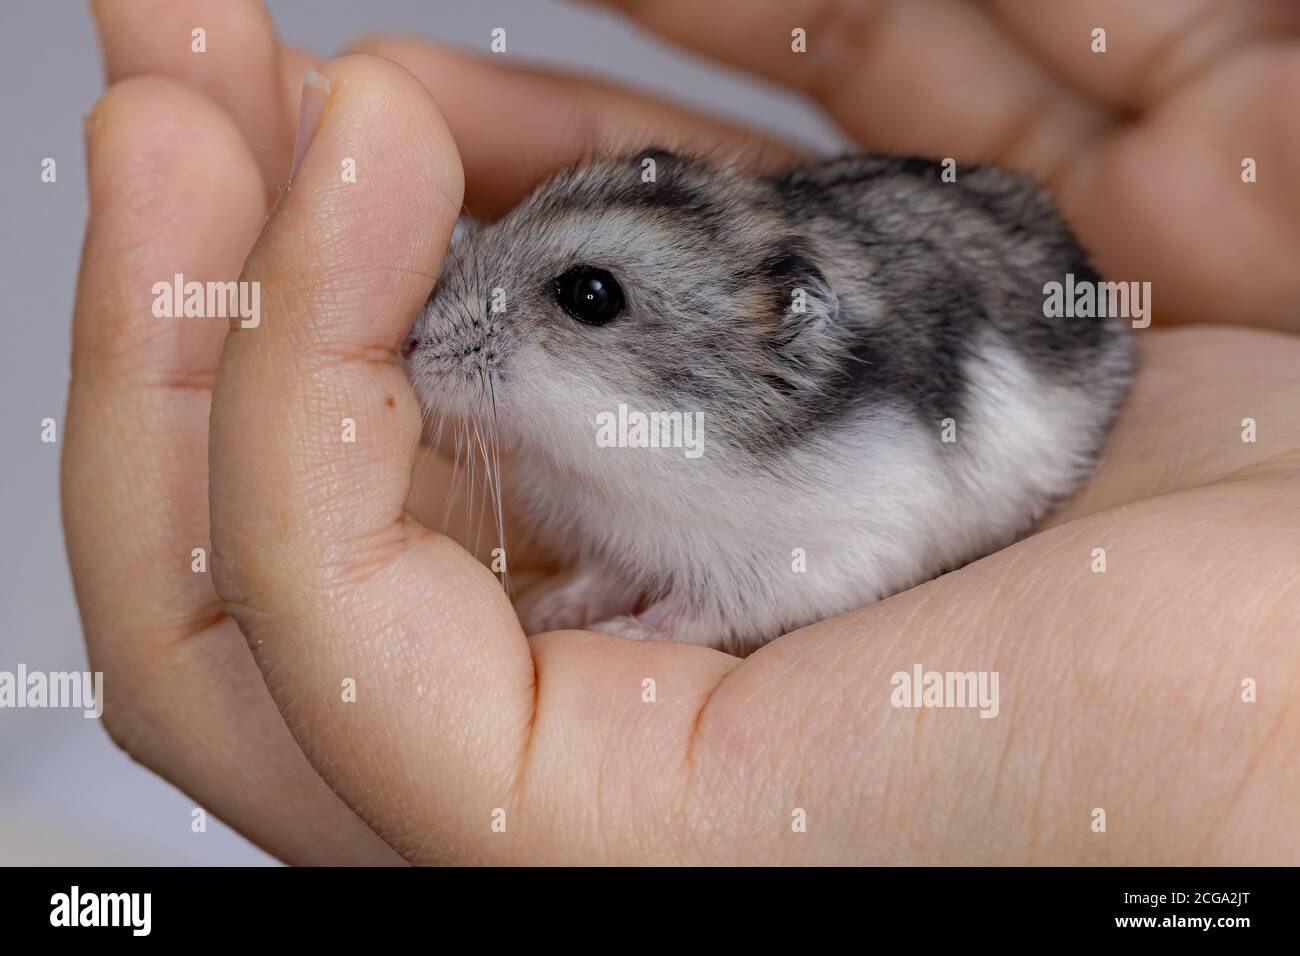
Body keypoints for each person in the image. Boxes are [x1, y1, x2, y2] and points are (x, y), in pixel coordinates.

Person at [64, 0, 1300, 864]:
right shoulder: (625, 449)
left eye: (585, 299)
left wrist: (693, 613)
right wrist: (617, 566)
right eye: (492, 257)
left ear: (773, 345)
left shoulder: (832, 438)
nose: (445, 319)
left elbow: (854, 543)